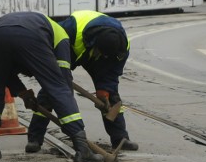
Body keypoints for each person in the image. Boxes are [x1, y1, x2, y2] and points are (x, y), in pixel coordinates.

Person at [0, 11, 103, 162]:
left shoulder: (46, 29)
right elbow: (62, 84)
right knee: (58, 88)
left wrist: (24, 93)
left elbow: (7, 76)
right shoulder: (62, 38)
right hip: (31, 34)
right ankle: (83, 150)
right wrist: (72, 121)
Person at [26, 10, 139, 153]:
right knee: (53, 90)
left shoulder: (122, 47)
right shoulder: (70, 29)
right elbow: (52, 43)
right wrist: (58, 75)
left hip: (101, 59)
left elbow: (113, 72)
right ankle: (35, 138)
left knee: (111, 96)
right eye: (101, 53)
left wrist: (105, 89)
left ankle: (120, 139)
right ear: (95, 45)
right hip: (71, 49)